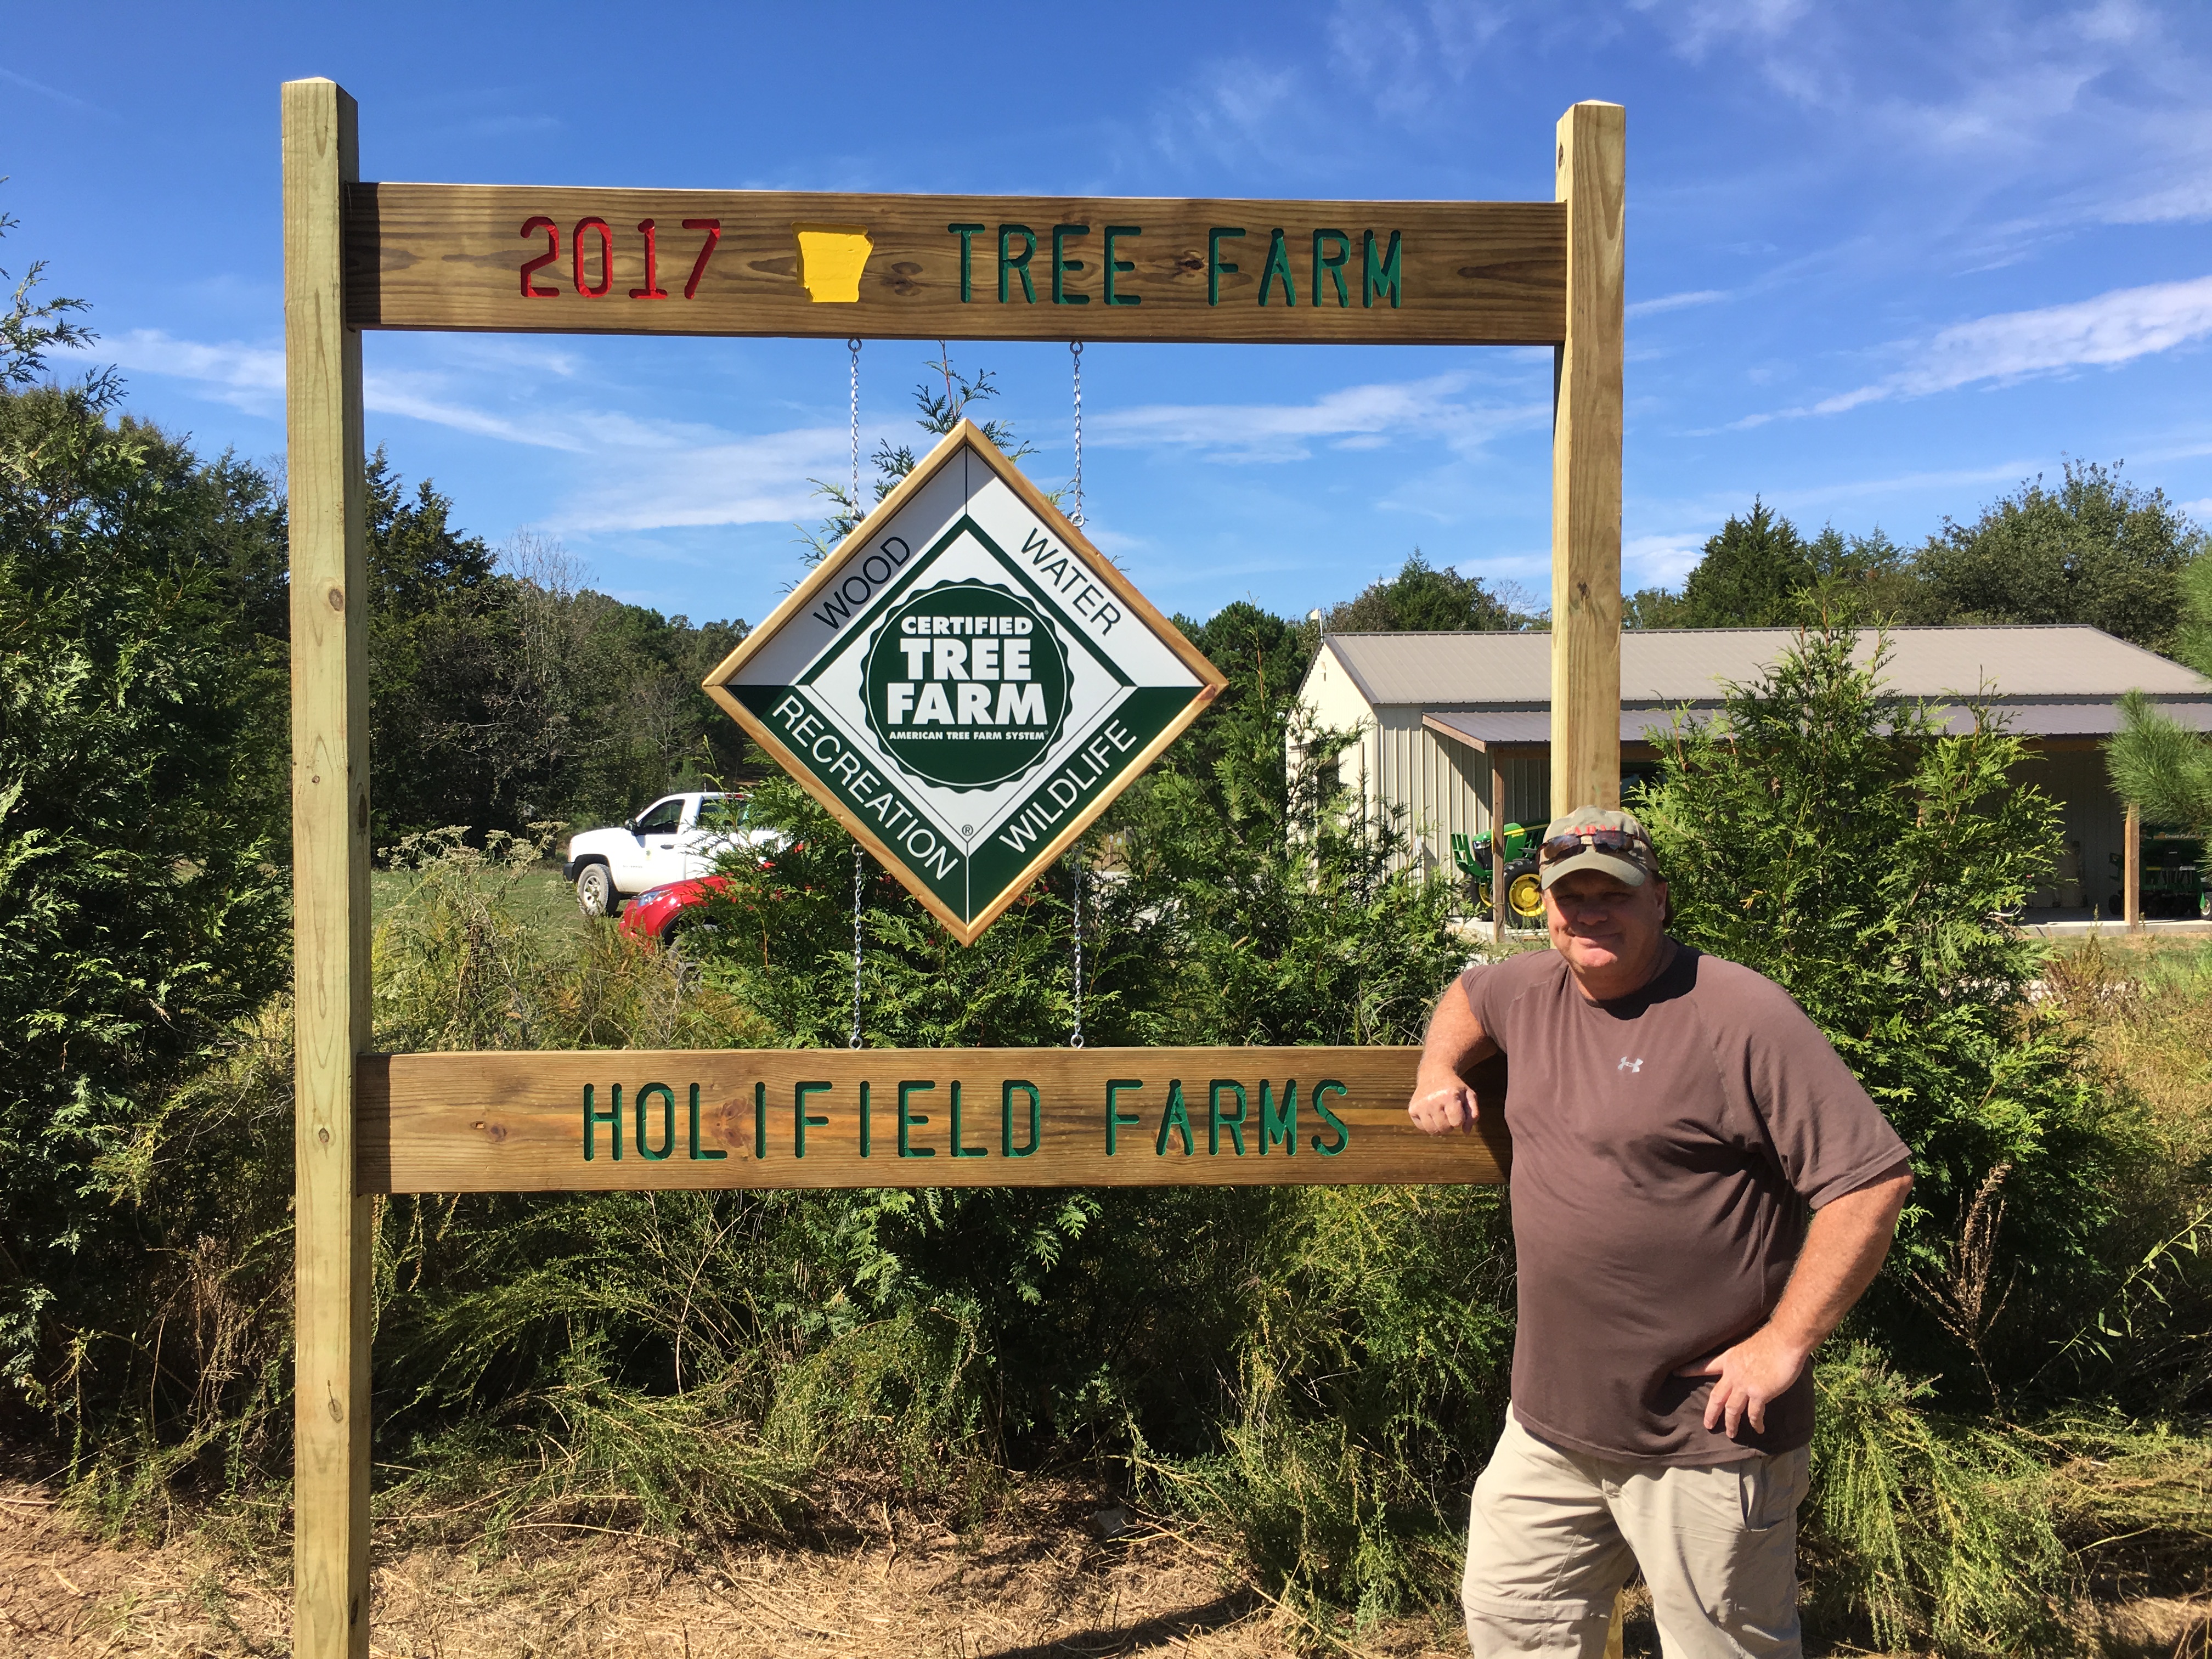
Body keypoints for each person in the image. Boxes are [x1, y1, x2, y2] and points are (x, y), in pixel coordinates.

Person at [1410, 807, 1913, 1659]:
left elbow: (1870, 1180)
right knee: (1509, 1625)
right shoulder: (1527, 990)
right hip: (1549, 1428)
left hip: (1705, 1437)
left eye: (1615, 894)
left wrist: (1786, 1342)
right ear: (1545, 905)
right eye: (1571, 896)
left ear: (1661, 902)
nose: (1590, 913)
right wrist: (1437, 1067)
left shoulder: (1737, 1013)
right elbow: (1466, 995)